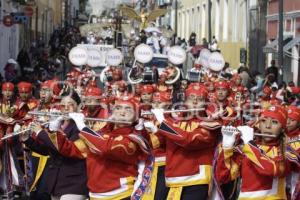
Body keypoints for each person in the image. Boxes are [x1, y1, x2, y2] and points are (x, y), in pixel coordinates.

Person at [29, 95, 150, 200]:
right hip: (95, 194)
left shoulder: (134, 138)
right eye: (118, 108)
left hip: (121, 194)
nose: (122, 112)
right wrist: (54, 129)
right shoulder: (102, 133)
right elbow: (71, 149)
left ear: (136, 116)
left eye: (128, 109)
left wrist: (83, 127)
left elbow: (104, 148)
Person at [150, 84, 221, 200]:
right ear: (185, 101)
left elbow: (189, 141)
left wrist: (163, 124)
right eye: (191, 98)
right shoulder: (175, 122)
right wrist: (143, 130)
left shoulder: (210, 124)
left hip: (197, 179)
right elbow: (157, 144)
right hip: (174, 178)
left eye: (200, 99)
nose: (195, 102)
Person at [216, 105, 299, 200]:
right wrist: (227, 147)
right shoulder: (245, 149)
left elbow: (272, 170)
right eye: (263, 121)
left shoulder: (287, 152)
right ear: (258, 124)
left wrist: (249, 144)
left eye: (275, 122)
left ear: (283, 128)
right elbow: (223, 177)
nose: (268, 126)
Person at [21, 91, 89, 200]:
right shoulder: (59, 124)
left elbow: (68, 149)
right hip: (56, 181)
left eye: (70, 104)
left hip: (74, 182)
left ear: (79, 106)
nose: (66, 108)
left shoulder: (81, 126)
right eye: (63, 105)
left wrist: (41, 133)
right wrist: (27, 139)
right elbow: (48, 150)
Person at [286, 106, 300, 200]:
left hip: (296, 174)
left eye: (292, 120)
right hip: (282, 172)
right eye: (286, 118)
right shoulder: (278, 133)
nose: (288, 122)